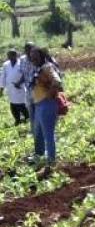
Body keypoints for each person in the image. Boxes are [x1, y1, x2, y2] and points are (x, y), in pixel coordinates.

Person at [29, 47, 62, 175]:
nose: (32, 58)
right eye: (31, 56)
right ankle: (42, 158)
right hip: (39, 105)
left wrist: (49, 94)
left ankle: (51, 163)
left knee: (48, 135)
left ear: (41, 56)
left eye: (35, 56)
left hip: (47, 104)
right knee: (39, 134)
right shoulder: (38, 68)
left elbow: (57, 81)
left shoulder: (47, 67)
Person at [0, 49, 29, 125]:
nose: (10, 57)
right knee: (13, 105)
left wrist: (19, 83)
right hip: (10, 88)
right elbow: (3, 77)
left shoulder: (21, 63)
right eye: (9, 55)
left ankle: (27, 118)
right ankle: (17, 120)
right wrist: (1, 89)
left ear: (16, 55)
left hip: (20, 88)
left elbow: (25, 74)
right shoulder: (6, 64)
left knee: (22, 104)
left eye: (12, 55)